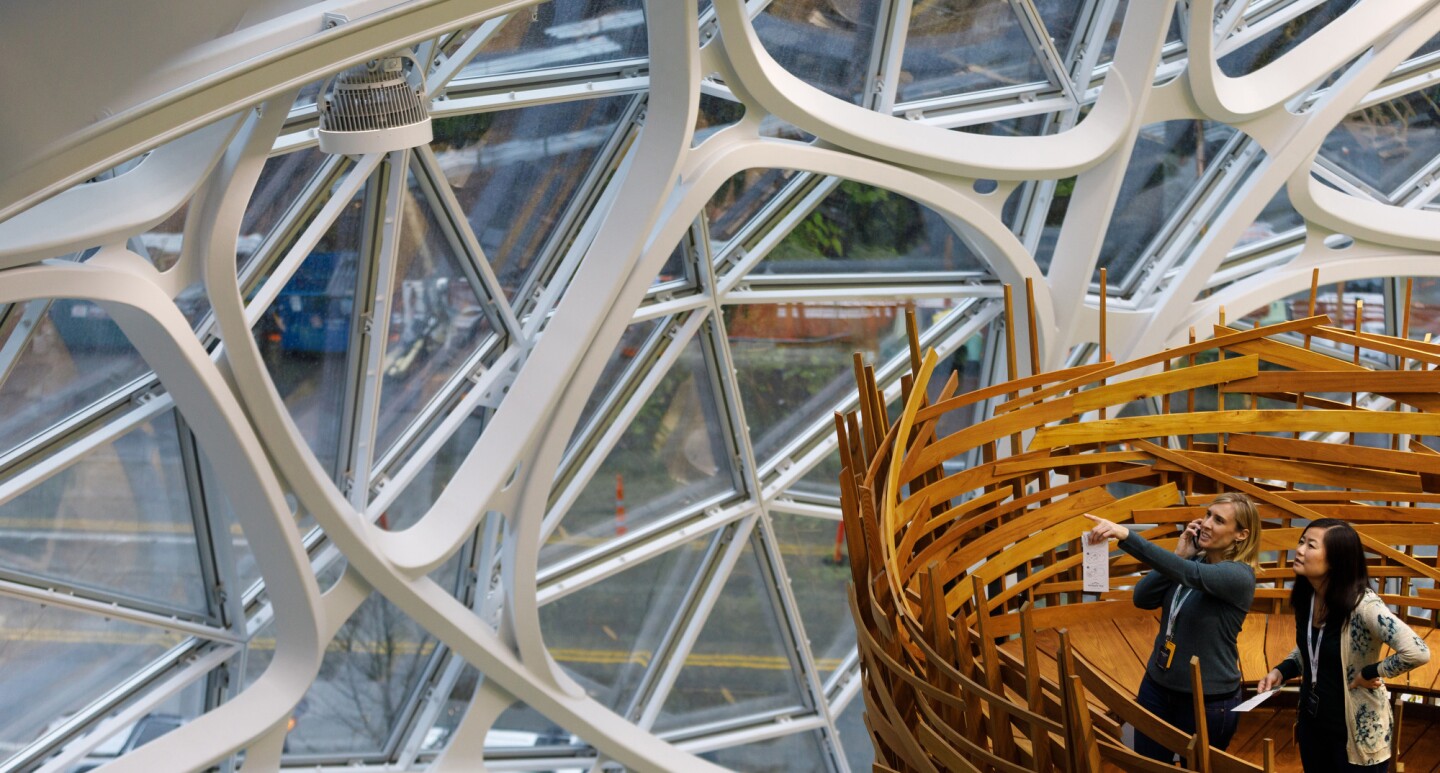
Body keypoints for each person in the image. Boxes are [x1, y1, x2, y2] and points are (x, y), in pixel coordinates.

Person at [1085, 491, 1262, 762]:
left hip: (1207, 701)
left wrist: (1126, 536)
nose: (1206, 523)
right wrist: (1180, 553)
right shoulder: (1191, 562)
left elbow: (1190, 575)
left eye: (1218, 520)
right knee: (1150, 766)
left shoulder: (1238, 576)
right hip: (1157, 687)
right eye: (1207, 515)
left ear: (1241, 535)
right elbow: (1142, 598)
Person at [1257, 519, 1430, 772]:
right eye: (1301, 541)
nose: (1300, 550)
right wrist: (1281, 671)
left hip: (1356, 737)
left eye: (1311, 545)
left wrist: (1370, 672)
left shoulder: (1364, 607)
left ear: (1335, 560)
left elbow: (1417, 651)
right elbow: (1311, 647)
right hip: (1313, 725)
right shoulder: (1308, 595)